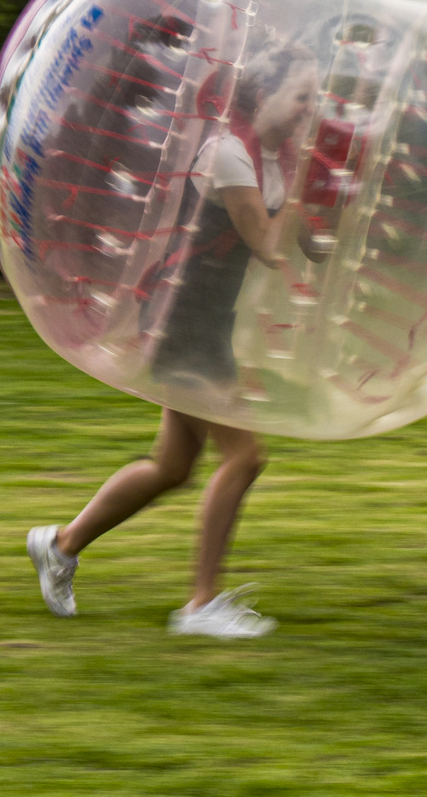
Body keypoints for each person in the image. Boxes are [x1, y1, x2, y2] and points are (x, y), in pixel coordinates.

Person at [27, 44, 324, 638]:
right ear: (264, 95)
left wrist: (326, 244)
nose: (309, 110)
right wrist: (304, 189)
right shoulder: (229, 153)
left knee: (171, 466)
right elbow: (267, 246)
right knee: (245, 457)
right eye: (301, 96)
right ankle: (199, 606)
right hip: (183, 323)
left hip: (201, 322)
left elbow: (293, 236)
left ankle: (60, 545)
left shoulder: (271, 155)